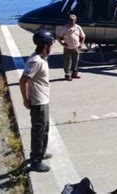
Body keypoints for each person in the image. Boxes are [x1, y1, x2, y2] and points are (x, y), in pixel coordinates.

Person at [19, 30, 55, 173]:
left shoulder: (41, 57)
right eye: (51, 44)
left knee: (44, 129)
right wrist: (25, 99)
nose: (52, 46)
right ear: (46, 45)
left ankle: (41, 152)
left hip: (43, 99)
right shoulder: (36, 61)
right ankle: (35, 160)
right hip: (38, 101)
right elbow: (23, 81)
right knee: (38, 131)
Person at [56, 14, 86, 81]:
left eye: (73, 20)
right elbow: (58, 36)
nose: (71, 21)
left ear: (75, 20)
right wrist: (62, 43)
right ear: (68, 20)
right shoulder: (64, 28)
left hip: (76, 48)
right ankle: (67, 75)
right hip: (68, 48)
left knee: (75, 62)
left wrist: (81, 43)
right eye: (70, 20)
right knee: (67, 62)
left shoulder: (78, 27)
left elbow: (83, 36)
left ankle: (74, 73)